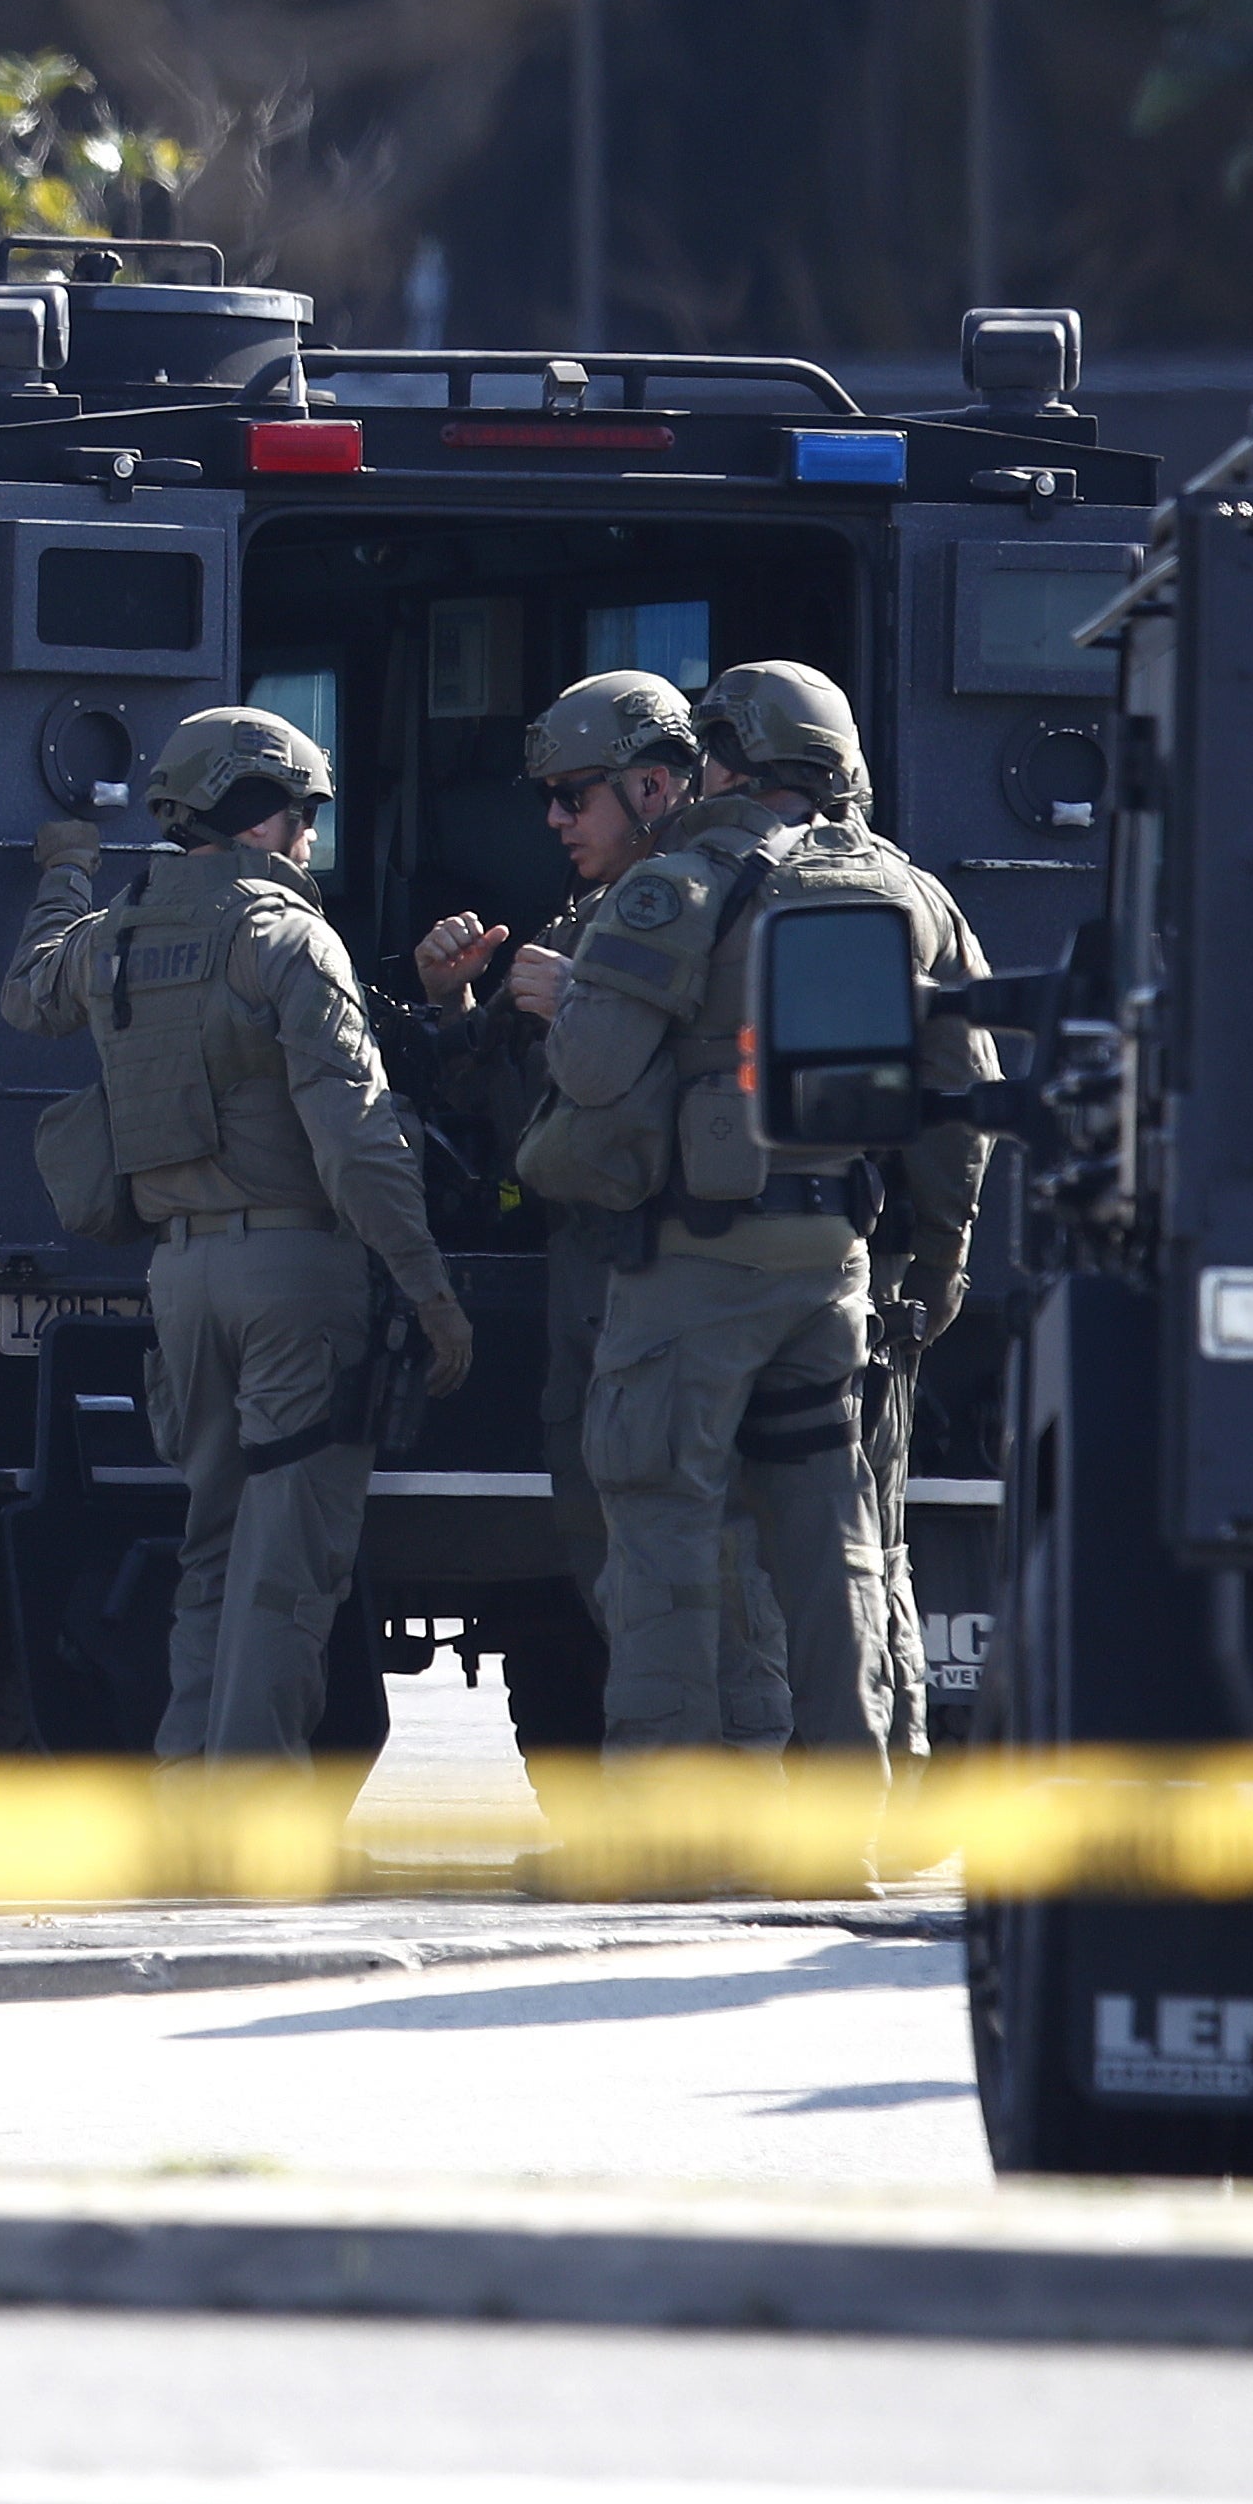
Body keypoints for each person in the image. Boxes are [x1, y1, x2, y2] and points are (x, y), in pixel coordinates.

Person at [7, 709, 475, 1766]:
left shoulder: (113, 937)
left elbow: (27, 989)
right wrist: (428, 1288)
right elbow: (357, 1142)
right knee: (288, 1569)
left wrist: (67, 871)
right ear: (264, 817)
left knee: (211, 1555)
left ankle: (194, 1813)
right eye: (304, 816)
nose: (309, 839)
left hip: (182, 1280)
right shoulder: (285, 936)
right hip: (298, 1277)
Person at [403, 672, 787, 1763]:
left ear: (655, 785)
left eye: (575, 795)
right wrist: (461, 1012)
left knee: (706, 1559)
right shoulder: (588, 925)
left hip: (685, 1275)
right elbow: (527, 1124)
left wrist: (581, 1002)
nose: (555, 820)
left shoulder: (721, 908)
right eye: (550, 799)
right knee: (604, 1555)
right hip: (593, 1283)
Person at [508, 696, 897, 1772]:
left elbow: (589, 1070)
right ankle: (841, 1819)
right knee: (831, 1543)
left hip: (698, 1262)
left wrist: (572, 993)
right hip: (836, 1263)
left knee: (661, 1531)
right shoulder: (886, 884)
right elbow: (958, 1092)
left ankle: (673, 1830)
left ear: (713, 769)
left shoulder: (676, 888)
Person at [692, 659, 993, 1756]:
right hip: (872, 1258)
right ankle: (895, 1765)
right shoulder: (915, 894)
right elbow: (959, 1097)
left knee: (766, 1534)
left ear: (735, 759)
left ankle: (781, 1774)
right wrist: (942, 1265)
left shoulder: (719, 882)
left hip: (744, 1257)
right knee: (875, 1531)